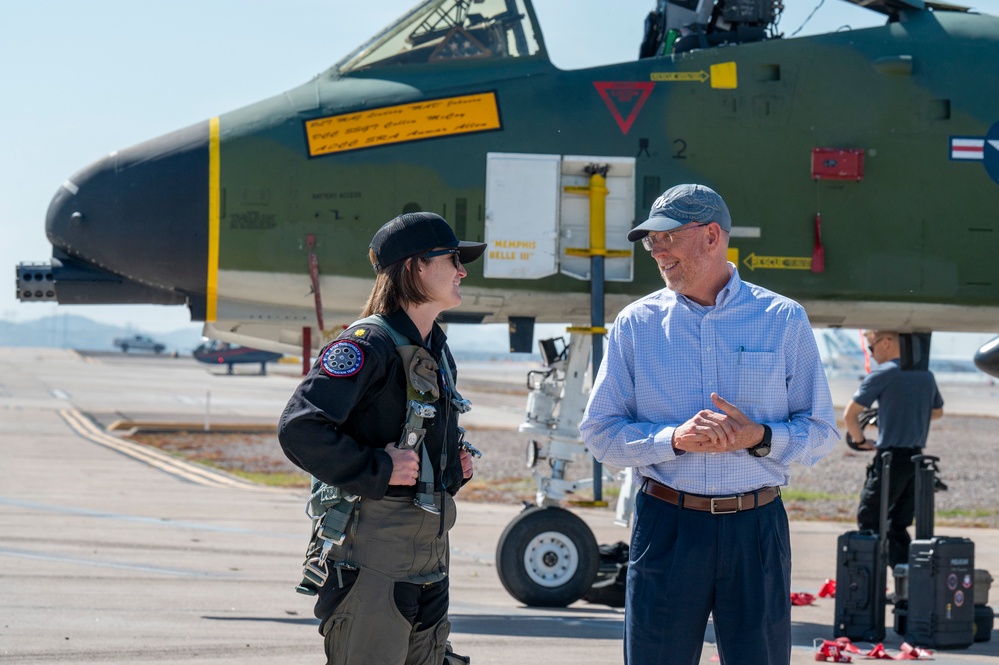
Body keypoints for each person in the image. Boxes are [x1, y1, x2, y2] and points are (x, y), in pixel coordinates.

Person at [579, 183, 839, 665]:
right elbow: (600, 432)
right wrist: (672, 440)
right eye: (650, 242)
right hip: (667, 527)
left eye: (667, 238)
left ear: (712, 235)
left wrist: (759, 438)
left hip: (755, 531)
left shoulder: (782, 319)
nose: (656, 252)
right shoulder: (635, 325)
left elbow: (821, 432)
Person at [278, 212, 485, 665]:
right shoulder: (367, 344)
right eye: (452, 258)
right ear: (416, 267)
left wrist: (453, 467)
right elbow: (299, 428)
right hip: (375, 559)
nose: (462, 270)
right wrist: (379, 468)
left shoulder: (434, 347)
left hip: (429, 559)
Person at [844, 330, 944, 568]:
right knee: (897, 524)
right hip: (918, 461)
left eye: (871, 347)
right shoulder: (926, 376)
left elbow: (850, 415)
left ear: (886, 342)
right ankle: (907, 586)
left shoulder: (884, 373)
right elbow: (937, 413)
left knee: (869, 520)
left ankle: (869, 586)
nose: (872, 354)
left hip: (890, 460)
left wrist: (860, 440)